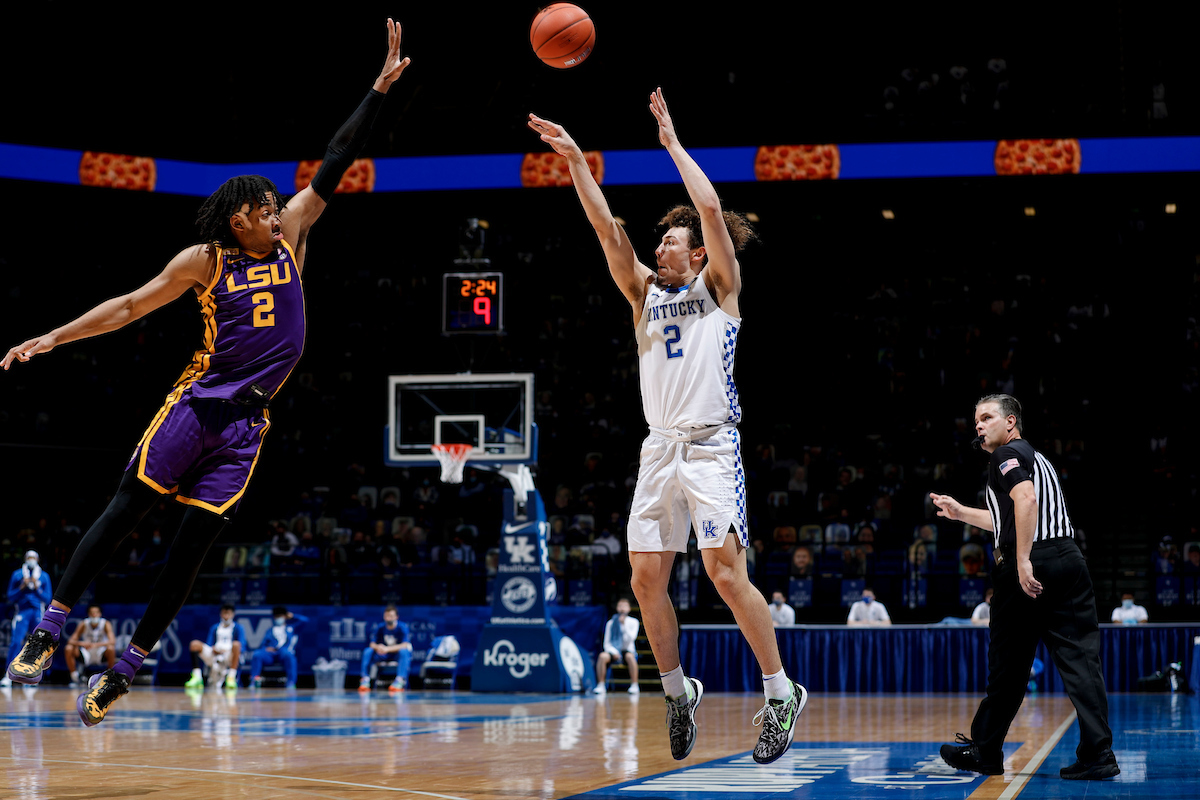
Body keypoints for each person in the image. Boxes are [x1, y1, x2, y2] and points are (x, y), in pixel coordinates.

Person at [1, 20, 411, 727]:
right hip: (199, 404)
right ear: (236, 220)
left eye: (272, 209)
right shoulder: (206, 260)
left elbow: (337, 157)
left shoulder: (295, 235)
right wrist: (55, 337)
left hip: (247, 425)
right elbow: (129, 306)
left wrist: (376, 89)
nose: (273, 216)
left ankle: (124, 670)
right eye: (260, 211)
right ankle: (50, 625)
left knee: (191, 552)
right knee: (125, 511)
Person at [529, 90, 806, 766]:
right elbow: (607, 231)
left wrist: (672, 143)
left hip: (712, 445)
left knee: (722, 571)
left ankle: (780, 693)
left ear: (699, 254)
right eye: (662, 240)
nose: (661, 245)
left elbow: (710, 208)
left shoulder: (721, 291)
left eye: (671, 240)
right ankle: (679, 693)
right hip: (660, 448)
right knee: (646, 579)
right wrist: (574, 161)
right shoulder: (643, 294)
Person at [931, 394, 1119, 781]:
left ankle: (985, 750)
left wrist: (1021, 560)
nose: (978, 425)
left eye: (986, 417)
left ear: (1011, 422)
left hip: (1033, 563)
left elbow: (1025, 499)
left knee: (1007, 667)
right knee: (1080, 662)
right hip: (1068, 559)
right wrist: (962, 512)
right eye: (976, 419)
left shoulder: (1005, 455)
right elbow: (1014, 514)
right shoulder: (1037, 457)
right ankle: (1099, 753)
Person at [1, 551, 52, 687]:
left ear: (38, 559)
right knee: (16, 642)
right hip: (22, 612)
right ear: (25, 559)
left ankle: (32, 675)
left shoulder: (44, 576)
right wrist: (21, 587)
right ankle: (8, 674)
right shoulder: (17, 575)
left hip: (37, 612)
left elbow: (48, 599)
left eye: (34, 558)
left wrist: (37, 587)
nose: (31, 560)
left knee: (38, 644)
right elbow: (10, 597)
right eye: (29, 558)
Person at [185, 604, 248, 691]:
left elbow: (243, 645)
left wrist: (227, 650)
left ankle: (231, 677)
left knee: (236, 645)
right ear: (220, 614)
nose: (226, 616)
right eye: (224, 613)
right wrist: (214, 649)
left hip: (229, 655)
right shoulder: (215, 628)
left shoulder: (238, 628)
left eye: (228, 614)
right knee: (194, 644)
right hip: (215, 655)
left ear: (233, 614)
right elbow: (209, 644)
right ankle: (197, 677)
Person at [249, 606, 308, 688]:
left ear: (285, 616)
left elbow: (305, 620)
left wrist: (293, 616)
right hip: (271, 654)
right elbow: (263, 644)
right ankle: (253, 681)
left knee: (289, 655)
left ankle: (291, 682)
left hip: (283, 653)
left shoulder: (291, 628)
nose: (278, 618)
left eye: (280, 616)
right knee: (257, 654)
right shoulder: (270, 630)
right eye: (276, 616)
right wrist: (266, 648)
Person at [359, 605, 411, 693]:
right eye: (386, 616)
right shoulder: (380, 627)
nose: (388, 618)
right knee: (368, 651)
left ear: (396, 617)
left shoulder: (402, 627)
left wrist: (388, 649)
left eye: (391, 616)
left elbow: (405, 644)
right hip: (383, 655)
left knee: (404, 652)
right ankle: (365, 679)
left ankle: (400, 680)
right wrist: (378, 647)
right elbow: (372, 644)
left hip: (395, 655)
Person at [594, 598, 640, 694]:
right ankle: (601, 685)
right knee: (602, 656)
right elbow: (606, 643)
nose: (622, 608)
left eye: (625, 606)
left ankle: (634, 685)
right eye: (620, 606)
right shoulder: (611, 623)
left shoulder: (633, 622)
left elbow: (631, 639)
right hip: (613, 650)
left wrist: (623, 625)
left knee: (630, 657)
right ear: (617, 608)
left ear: (629, 609)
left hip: (626, 650)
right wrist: (614, 652)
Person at [64, 605, 117, 686]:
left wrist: (96, 645)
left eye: (96, 612)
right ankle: (74, 677)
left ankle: (109, 677)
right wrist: (82, 643)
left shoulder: (105, 623)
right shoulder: (84, 623)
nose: (94, 615)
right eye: (92, 613)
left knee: (111, 648)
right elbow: (71, 641)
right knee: (68, 648)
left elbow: (112, 641)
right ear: (88, 614)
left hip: (100, 652)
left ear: (100, 614)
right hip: (86, 652)